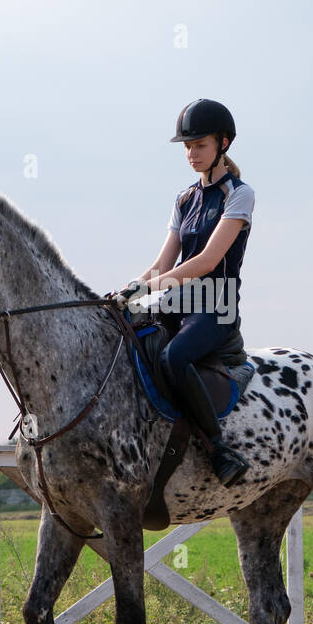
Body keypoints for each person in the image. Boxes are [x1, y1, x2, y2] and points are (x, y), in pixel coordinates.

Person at [113, 98, 254, 485]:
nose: (192, 153)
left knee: (174, 357)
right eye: (188, 147)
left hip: (217, 306)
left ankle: (219, 448)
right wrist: (125, 292)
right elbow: (162, 263)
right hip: (179, 299)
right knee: (128, 334)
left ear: (223, 144)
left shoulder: (239, 195)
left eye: (200, 145)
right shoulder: (185, 199)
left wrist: (148, 287)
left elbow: (207, 261)